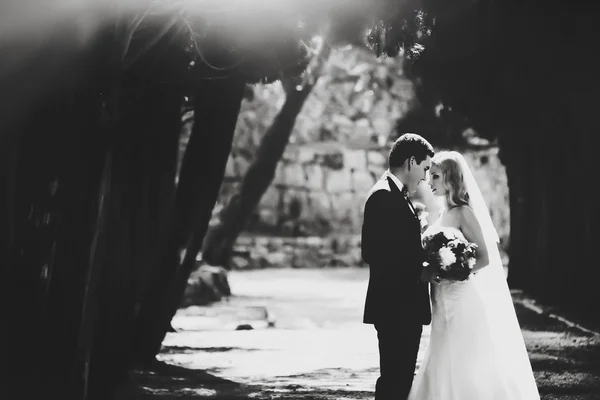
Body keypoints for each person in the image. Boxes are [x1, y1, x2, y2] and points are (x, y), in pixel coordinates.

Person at [408, 150, 540, 400]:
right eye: (429, 176)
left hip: (461, 297)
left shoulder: (463, 212)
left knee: (464, 357)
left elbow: (484, 258)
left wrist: (451, 270)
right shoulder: (442, 212)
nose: (429, 182)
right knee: (442, 354)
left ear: (450, 179)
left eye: (435, 176)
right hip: (440, 298)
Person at [361, 133, 436, 400]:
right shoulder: (383, 196)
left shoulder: (397, 195)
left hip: (402, 306)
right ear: (411, 162)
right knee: (394, 380)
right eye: (425, 169)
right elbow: (373, 252)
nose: (426, 177)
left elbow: (399, 246)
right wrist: (420, 271)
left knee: (401, 379)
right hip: (395, 307)